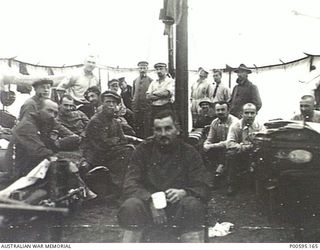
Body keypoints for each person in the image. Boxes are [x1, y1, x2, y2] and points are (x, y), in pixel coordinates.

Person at [118, 110, 210, 243]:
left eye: (168, 129)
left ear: (177, 130)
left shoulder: (189, 152)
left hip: (179, 207)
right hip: (148, 209)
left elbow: (204, 185)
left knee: (193, 205)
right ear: (153, 131)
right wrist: (150, 200)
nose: (163, 134)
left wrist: (184, 192)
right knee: (131, 205)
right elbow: (130, 184)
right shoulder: (143, 151)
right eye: (158, 130)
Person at [5, 99, 80, 178]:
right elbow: (39, 152)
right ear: (38, 110)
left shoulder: (46, 121)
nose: (52, 115)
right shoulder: (27, 125)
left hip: (35, 164)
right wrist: (66, 162)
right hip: (20, 171)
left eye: (55, 113)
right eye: (49, 110)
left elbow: (73, 136)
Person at [80, 91, 134, 196]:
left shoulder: (115, 122)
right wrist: (113, 142)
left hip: (109, 152)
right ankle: (117, 187)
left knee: (130, 149)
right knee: (127, 152)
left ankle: (124, 184)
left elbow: (122, 139)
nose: (111, 105)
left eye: (113, 102)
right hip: (95, 155)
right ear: (102, 104)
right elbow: (99, 145)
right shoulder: (96, 121)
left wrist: (113, 141)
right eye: (108, 102)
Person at [226, 103, 264, 195]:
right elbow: (230, 144)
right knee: (231, 154)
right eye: (246, 113)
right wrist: (244, 147)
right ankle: (232, 183)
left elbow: (263, 142)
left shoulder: (260, 126)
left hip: (255, 152)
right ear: (242, 114)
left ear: (256, 113)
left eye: (252, 113)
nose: (249, 115)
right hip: (241, 152)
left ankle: (260, 183)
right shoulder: (235, 126)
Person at [203, 101, 238, 186]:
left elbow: (229, 142)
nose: (220, 112)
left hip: (233, 147)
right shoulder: (215, 122)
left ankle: (221, 177)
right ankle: (208, 177)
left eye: (223, 110)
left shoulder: (234, 122)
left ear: (228, 111)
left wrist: (211, 146)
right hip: (220, 147)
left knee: (229, 153)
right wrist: (206, 145)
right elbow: (210, 138)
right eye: (218, 110)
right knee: (203, 149)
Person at [146, 63, 175, 136]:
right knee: (153, 128)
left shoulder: (170, 81)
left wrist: (154, 93)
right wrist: (160, 94)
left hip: (165, 107)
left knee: (166, 127)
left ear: (166, 70)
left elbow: (167, 93)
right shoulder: (153, 82)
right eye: (157, 69)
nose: (159, 71)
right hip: (154, 108)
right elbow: (148, 96)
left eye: (161, 69)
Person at [132, 61, 153, 138]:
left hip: (146, 108)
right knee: (137, 124)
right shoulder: (135, 81)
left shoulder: (151, 80)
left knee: (146, 125)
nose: (142, 70)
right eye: (140, 68)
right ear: (138, 69)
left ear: (147, 69)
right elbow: (133, 93)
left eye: (144, 68)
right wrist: (134, 103)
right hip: (136, 107)